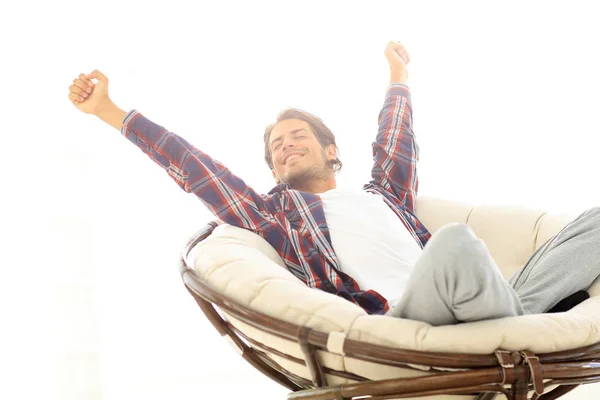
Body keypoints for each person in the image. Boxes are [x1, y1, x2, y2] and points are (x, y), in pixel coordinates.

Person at [68, 41, 600, 326]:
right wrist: (110, 111)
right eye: (276, 146)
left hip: (481, 296)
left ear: (331, 152)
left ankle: (509, 318)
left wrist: (398, 75)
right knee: (457, 242)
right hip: (405, 314)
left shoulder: (384, 195)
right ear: (273, 170)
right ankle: (516, 323)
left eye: (297, 136)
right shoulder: (274, 216)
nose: (285, 146)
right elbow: (195, 164)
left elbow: (397, 139)